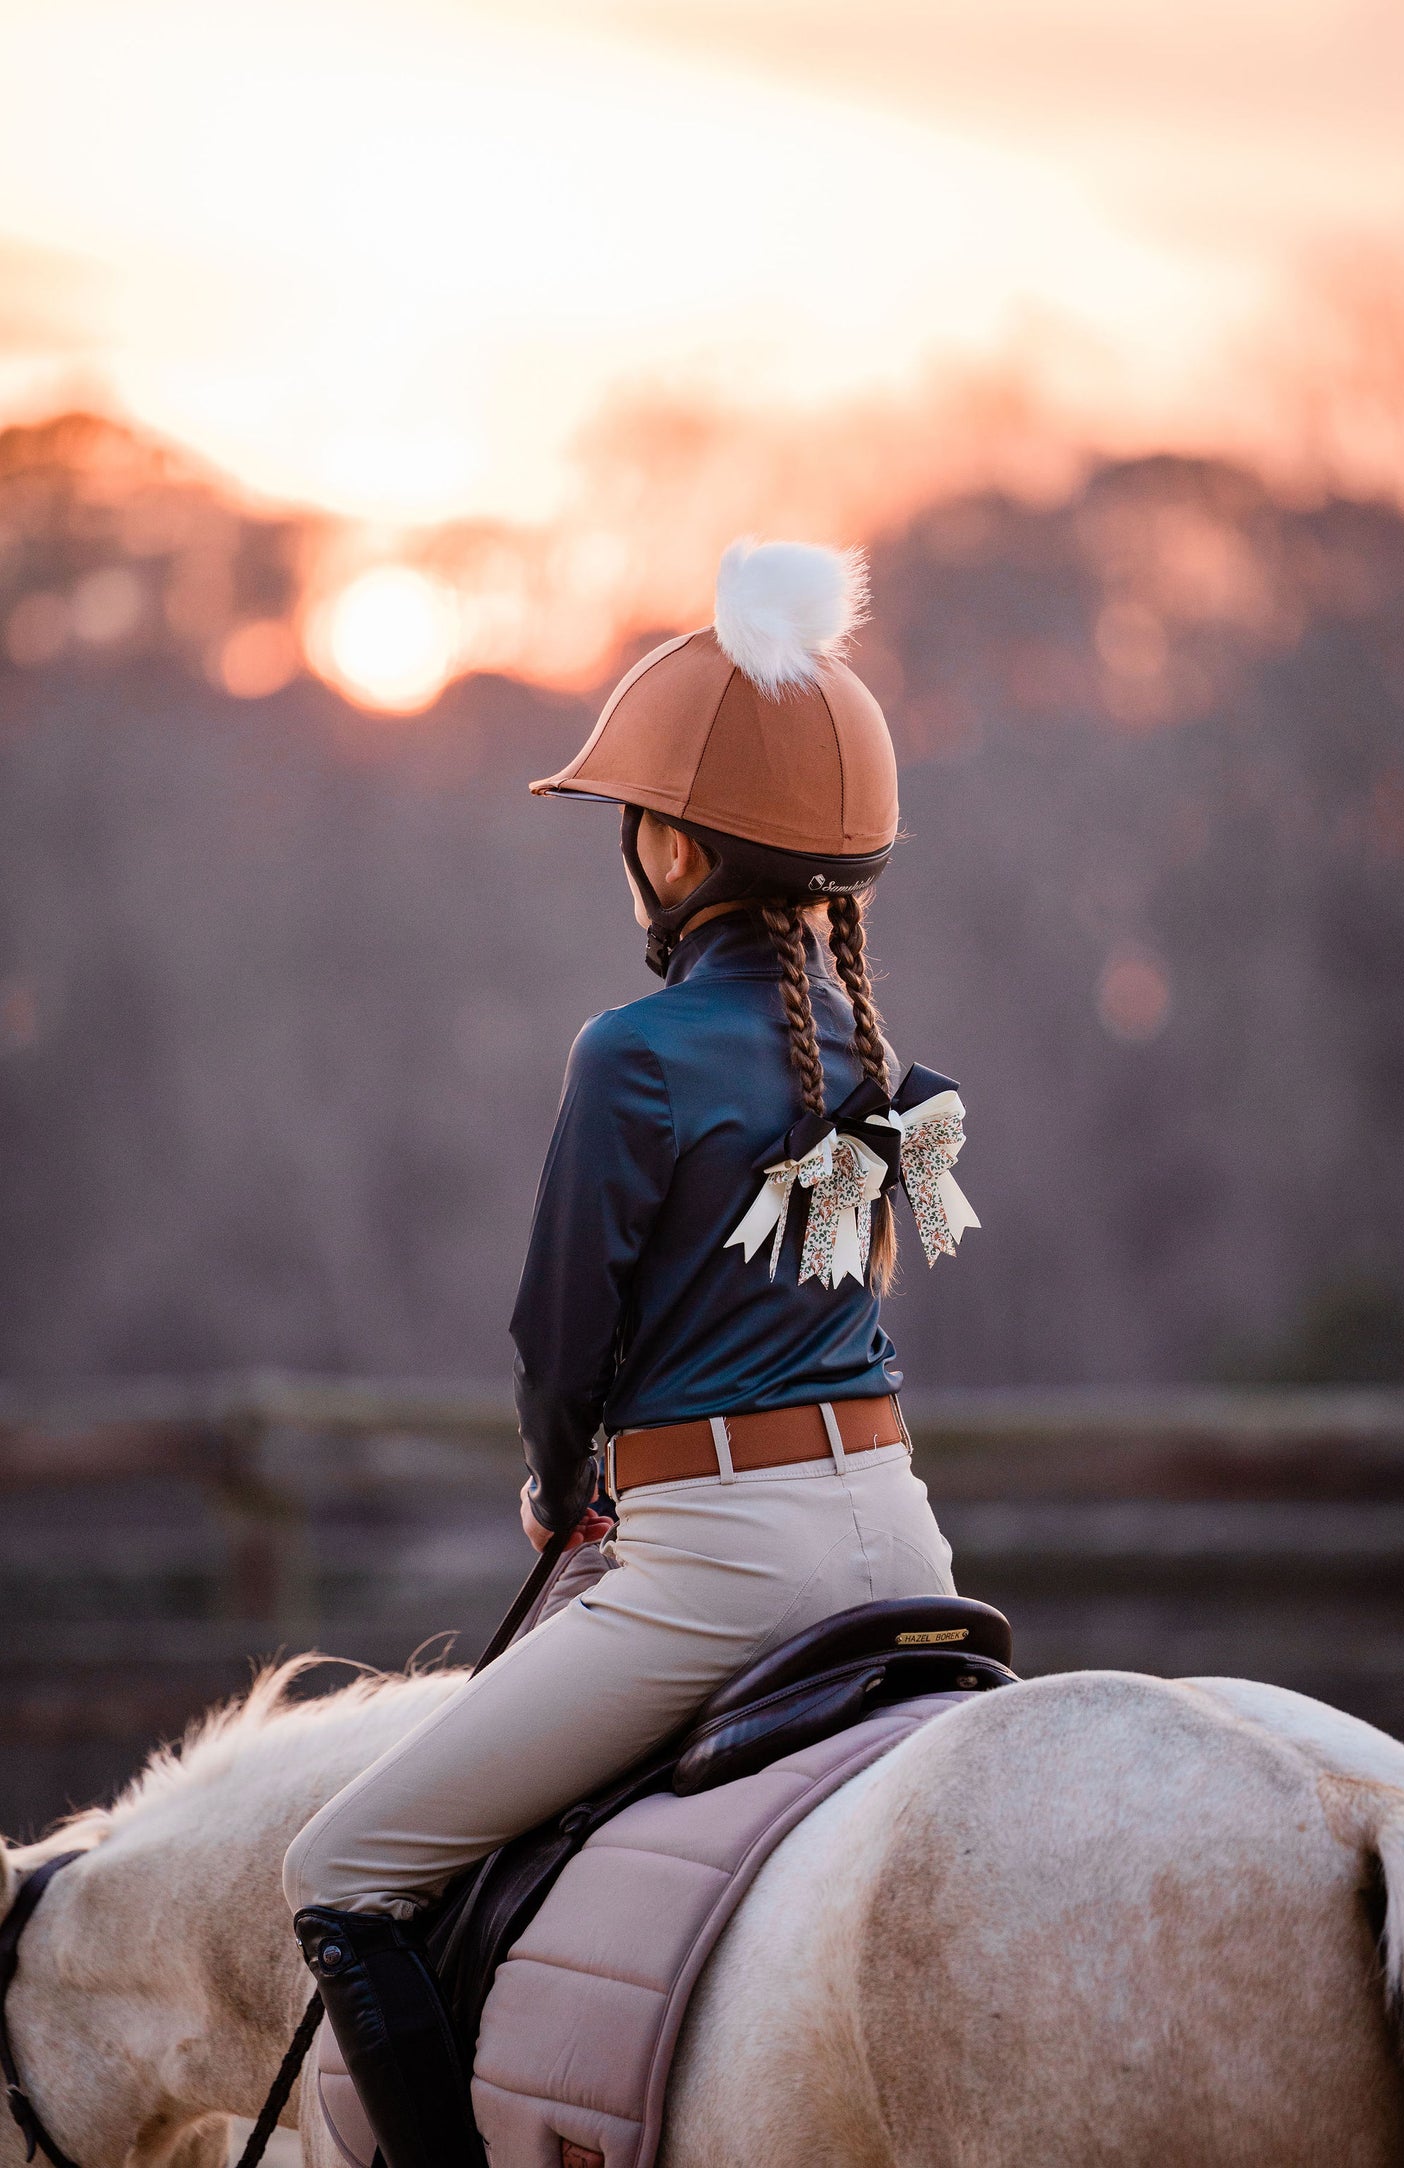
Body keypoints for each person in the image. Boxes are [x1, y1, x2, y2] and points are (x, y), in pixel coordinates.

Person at [286, 539, 978, 2168]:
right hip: (902, 1536)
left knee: (338, 1866)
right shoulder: (882, 1066)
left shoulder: (635, 1054)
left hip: (715, 1567)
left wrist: (553, 1490)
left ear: (668, 843)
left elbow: (560, 1340)